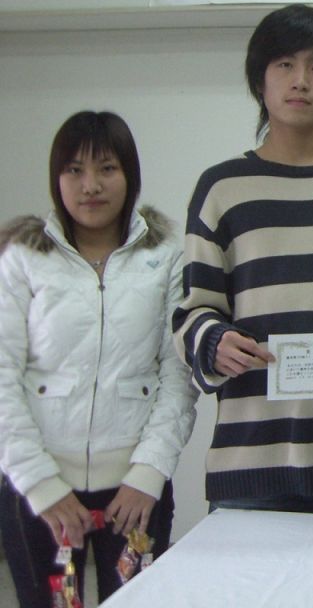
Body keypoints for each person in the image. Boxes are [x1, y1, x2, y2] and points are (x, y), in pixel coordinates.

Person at [172, 4, 313, 516]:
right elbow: (192, 310)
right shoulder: (221, 188)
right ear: (260, 80)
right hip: (248, 458)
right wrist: (213, 342)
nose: (301, 80)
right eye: (284, 65)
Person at [0, 111, 197, 607]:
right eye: (74, 170)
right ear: (56, 178)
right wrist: (41, 485)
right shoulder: (24, 258)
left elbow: (178, 377)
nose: (90, 185)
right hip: (42, 496)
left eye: (107, 168)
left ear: (129, 175)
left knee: (133, 601)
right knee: (58, 602)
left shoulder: (165, 259)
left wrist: (148, 475)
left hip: (133, 497)